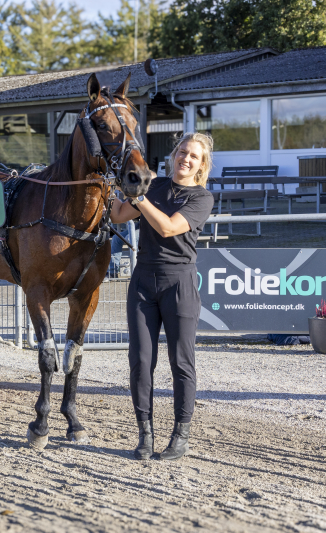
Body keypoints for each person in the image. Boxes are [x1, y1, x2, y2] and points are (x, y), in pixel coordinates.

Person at [110, 132, 215, 461]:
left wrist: (139, 197)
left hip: (179, 284)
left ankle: (180, 436)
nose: (186, 158)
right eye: (183, 152)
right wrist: (109, 186)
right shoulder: (153, 186)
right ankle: (145, 434)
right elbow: (118, 215)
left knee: (181, 362)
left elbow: (168, 227)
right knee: (140, 361)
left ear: (201, 165)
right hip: (143, 281)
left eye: (194, 156)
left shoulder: (202, 198)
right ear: (174, 154)